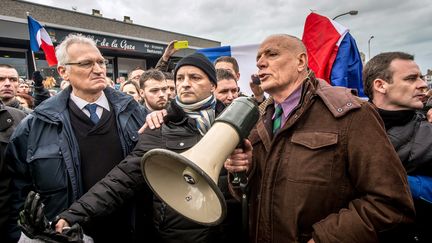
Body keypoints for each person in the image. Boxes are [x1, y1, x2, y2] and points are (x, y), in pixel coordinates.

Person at [224, 34, 415, 243]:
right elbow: (246, 196)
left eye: (272, 54)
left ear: (301, 61)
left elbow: (390, 204)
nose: (260, 62)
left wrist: (324, 239)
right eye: (259, 58)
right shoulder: (256, 119)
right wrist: (244, 171)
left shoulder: (351, 113)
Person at [43, 52, 247, 243]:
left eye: (195, 77)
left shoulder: (236, 123)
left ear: (212, 84)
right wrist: (73, 215)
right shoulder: (159, 126)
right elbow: (122, 179)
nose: (185, 84)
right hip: (177, 233)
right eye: (180, 78)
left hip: (228, 228)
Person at [6, 34, 147, 242]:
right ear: (63, 72)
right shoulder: (35, 125)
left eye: (101, 62)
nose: (99, 69)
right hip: (67, 235)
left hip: (131, 230)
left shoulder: (135, 112)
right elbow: (14, 193)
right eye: (86, 63)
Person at [363, 51, 432, 242]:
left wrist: (405, 184)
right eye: (411, 78)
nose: (423, 84)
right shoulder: (347, 128)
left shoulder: (428, 134)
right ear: (380, 85)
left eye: (420, 77)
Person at [0, 101, 26, 243]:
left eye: (12, 79)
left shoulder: (19, 117)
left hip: (10, 223)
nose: (8, 84)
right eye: (3, 79)